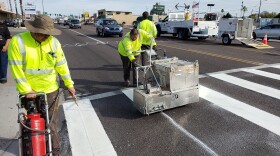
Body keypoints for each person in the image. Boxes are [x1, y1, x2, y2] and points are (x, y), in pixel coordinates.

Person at [8, 14, 75, 155]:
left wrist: (69, 84)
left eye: (48, 34)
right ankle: (34, 149)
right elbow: (16, 69)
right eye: (43, 34)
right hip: (30, 91)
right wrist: (26, 89)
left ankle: (54, 152)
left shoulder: (54, 43)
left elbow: (62, 65)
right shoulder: (18, 42)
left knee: (51, 124)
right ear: (33, 31)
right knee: (33, 123)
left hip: (50, 90)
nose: (46, 36)